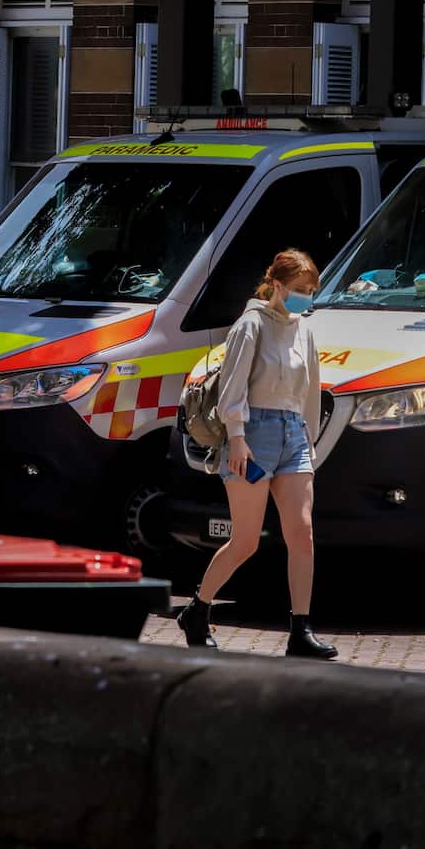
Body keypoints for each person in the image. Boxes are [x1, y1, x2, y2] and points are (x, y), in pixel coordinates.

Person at [177, 249, 337, 660]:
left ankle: (300, 630)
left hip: (293, 436)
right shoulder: (250, 326)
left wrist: (309, 441)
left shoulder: (304, 329)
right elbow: (232, 388)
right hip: (253, 435)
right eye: (301, 290)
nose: (307, 298)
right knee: (245, 540)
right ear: (278, 286)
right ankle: (198, 610)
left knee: (302, 533)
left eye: (312, 291)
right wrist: (238, 437)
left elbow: (311, 389)